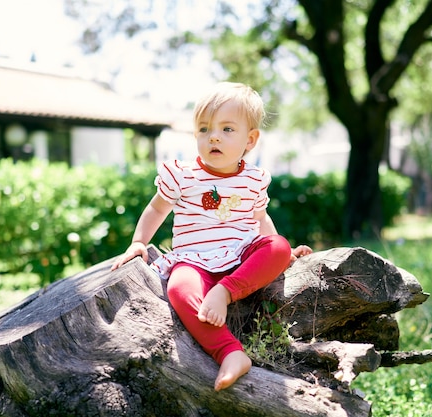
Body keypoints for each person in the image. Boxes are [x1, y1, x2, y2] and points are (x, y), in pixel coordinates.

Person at [111, 82, 312, 391]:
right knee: (179, 289)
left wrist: (283, 256)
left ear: (251, 139)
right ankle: (230, 352)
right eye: (204, 129)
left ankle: (225, 292)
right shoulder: (183, 175)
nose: (213, 136)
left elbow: (260, 219)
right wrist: (139, 242)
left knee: (279, 247)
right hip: (195, 258)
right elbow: (156, 209)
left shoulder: (254, 179)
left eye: (227, 129)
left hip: (241, 255)